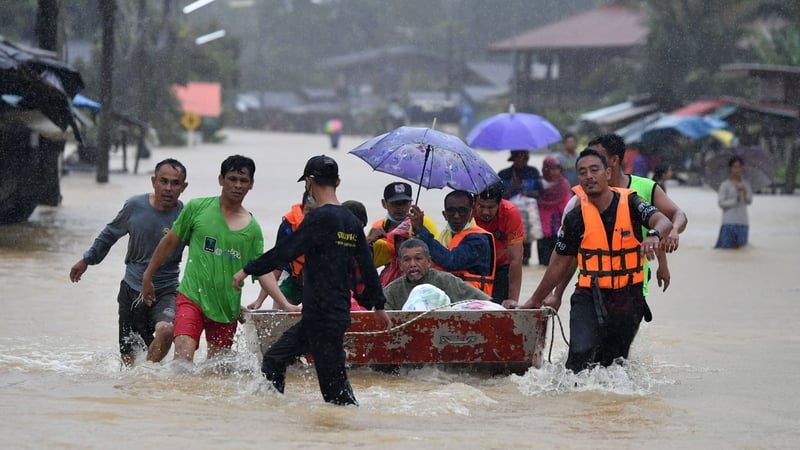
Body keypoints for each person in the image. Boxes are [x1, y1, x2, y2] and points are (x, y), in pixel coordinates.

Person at [232, 155, 391, 406]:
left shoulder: (319, 217)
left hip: (323, 316)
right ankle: (276, 412)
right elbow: (367, 266)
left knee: (335, 391)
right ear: (337, 182)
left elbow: (286, 250)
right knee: (275, 359)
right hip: (328, 314)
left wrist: (247, 269)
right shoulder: (350, 220)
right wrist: (379, 306)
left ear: (309, 182)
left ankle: (346, 433)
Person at [510, 149, 673, 373]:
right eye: (582, 172)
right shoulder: (575, 217)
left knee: (613, 362)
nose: (589, 176)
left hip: (628, 295)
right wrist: (535, 300)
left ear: (608, 173)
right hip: (588, 294)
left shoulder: (633, 203)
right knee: (579, 354)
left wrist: (654, 234)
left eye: (594, 170)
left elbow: (664, 221)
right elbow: (559, 263)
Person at [142, 155, 296, 364]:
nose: (237, 185)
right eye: (232, 179)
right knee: (182, 361)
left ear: (251, 185)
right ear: (221, 179)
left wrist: (284, 304)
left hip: (226, 308)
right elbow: (169, 242)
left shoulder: (252, 230)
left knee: (216, 371)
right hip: (191, 297)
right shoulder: (197, 208)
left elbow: (262, 270)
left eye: (243, 181)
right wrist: (148, 275)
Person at [69, 159, 188, 367]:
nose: (169, 188)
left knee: (166, 331)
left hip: (166, 290)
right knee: (129, 360)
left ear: (183, 187)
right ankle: (137, 386)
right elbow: (110, 233)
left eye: (175, 183)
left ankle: (147, 376)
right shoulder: (135, 206)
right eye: (164, 181)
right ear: (154, 181)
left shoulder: (186, 216)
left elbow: (202, 255)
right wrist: (87, 259)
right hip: (132, 290)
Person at [408, 190, 495, 296]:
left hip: (474, 301)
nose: (456, 216)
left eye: (462, 211)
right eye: (451, 211)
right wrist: (416, 230)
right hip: (450, 298)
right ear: (444, 215)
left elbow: (451, 261)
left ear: (472, 213)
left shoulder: (479, 239)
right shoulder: (446, 236)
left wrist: (421, 229)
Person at [384, 238, 492, 310]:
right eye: (407, 260)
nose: (413, 264)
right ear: (401, 264)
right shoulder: (391, 291)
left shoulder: (446, 281)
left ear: (429, 262)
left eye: (418, 258)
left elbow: (486, 302)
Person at [367, 181, 438, 286]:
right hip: (391, 280)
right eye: (395, 203)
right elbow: (368, 264)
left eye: (404, 202)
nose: (400, 207)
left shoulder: (424, 222)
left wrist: (419, 231)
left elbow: (436, 256)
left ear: (410, 203)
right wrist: (368, 241)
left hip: (421, 279)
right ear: (384, 203)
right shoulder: (378, 228)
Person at [473, 181, 524, 304]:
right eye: (481, 206)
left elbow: (516, 260)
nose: (485, 212)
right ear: (474, 203)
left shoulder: (510, 213)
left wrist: (512, 299)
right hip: (474, 265)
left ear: (499, 204)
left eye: (490, 207)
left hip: (502, 266)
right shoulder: (467, 210)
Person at [498, 149, 544, 265]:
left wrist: (528, 193)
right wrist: (512, 188)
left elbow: (540, 193)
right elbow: (498, 198)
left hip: (528, 215)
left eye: (525, 157)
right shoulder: (504, 174)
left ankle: (526, 258)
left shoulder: (533, 172)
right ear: (513, 158)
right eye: (520, 157)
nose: (523, 160)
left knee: (526, 241)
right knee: (511, 240)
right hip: (509, 215)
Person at [537, 155, 572, 266]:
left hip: (557, 222)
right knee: (544, 262)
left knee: (556, 259)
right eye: (551, 169)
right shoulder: (539, 183)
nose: (555, 172)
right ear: (545, 169)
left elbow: (568, 204)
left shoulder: (563, 184)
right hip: (542, 224)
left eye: (557, 169)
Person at [715, 156, 752, 249]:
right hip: (728, 222)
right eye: (735, 167)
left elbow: (749, 200)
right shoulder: (725, 185)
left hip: (743, 222)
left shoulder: (746, 184)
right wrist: (736, 200)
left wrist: (744, 191)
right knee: (725, 250)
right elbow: (721, 203)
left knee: (741, 251)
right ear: (730, 168)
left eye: (739, 167)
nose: (737, 169)